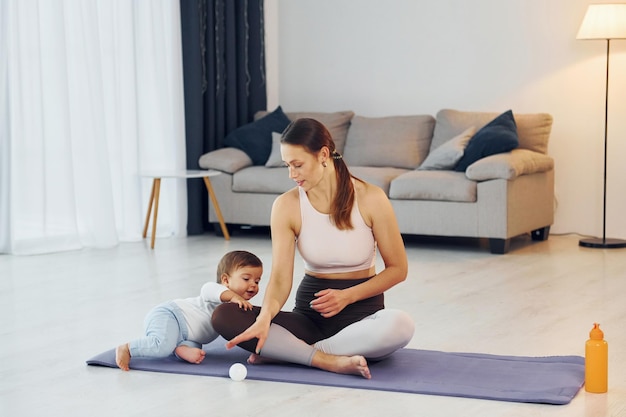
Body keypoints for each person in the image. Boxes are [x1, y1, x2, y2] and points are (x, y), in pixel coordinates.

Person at [211, 118, 415, 379]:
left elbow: (398, 269)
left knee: (401, 325)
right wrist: (265, 318)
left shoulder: (371, 198)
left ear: (323, 155)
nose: (291, 174)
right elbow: (281, 276)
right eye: (287, 166)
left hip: (362, 320)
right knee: (224, 316)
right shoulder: (286, 206)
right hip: (309, 319)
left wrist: (347, 296)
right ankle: (325, 359)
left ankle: (294, 353)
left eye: (297, 165)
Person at [115, 250, 263, 371]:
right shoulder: (216, 291)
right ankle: (127, 348)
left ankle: (178, 349)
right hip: (170, 315)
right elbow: (208, 289)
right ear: (225, 280)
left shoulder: (236, 305)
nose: (253, 285)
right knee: (162, 346)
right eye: (246, 279)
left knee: (195, 353)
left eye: (257, 281)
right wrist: (234, 298)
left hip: (190, 337)